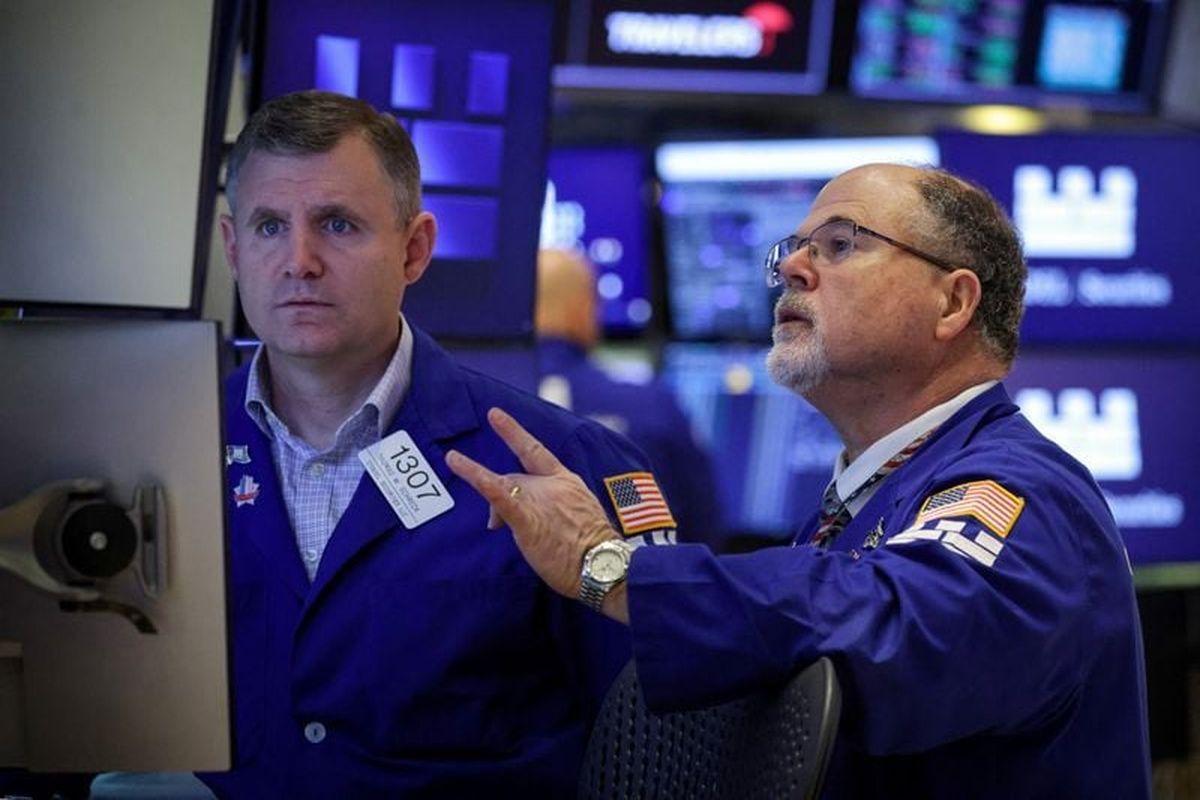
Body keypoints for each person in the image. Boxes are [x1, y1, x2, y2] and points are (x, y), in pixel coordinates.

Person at [447, 163, 1153, 798]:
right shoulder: (869, 497)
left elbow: (895, 624)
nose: (793, 269)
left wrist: (614, 567)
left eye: (840, 244)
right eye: (792, 250)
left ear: (952, 303)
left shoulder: (1024, 492)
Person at [204, 90, 676, 798]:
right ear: (233, 248)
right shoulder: (164, 454)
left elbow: (658, 745)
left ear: (415, 249)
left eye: (337, 224)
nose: (299, 260)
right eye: (270, 226)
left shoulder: (565, 460)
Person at [535, 247, 723, 549]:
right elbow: (702, 531)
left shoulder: (474, 400)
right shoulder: (649, 403)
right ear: (584, 309)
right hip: (635, 589)